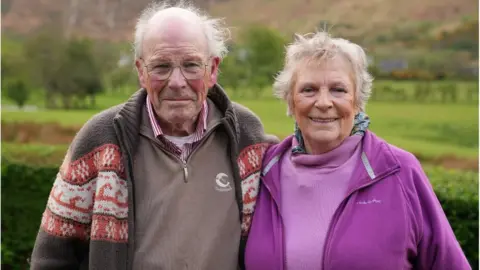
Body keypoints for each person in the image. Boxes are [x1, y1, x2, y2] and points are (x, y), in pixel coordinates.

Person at [30, 2, 277, 269]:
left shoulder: (246, 135)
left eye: (192, 65)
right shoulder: (100, 140)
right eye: (161, 67)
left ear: (213, 69)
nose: (177, 82)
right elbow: (52, 257)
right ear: (141, 71)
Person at [243, 31, 472, 270]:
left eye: (338, 90)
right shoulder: (261, 171)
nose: (323, 102)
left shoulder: (399, 171)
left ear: (357, 100)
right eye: (308, 89)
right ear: (290, 101)